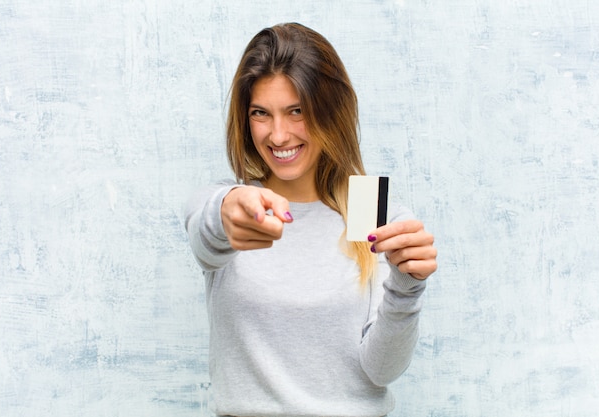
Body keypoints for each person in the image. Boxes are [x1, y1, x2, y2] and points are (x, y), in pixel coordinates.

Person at [184, 22, 437, 416]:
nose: (279, 135)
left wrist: (407, 288)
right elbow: (208, 232)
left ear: (330, 111)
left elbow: (381, 372)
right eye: (260, 113)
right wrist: (227, 211)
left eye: (296, 111)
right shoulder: (232, 204)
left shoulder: (370, 211)